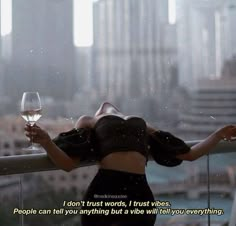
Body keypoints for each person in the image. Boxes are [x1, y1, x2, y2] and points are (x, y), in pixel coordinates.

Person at [25, 102, 236, 226]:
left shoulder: (141, 124)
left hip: (138, 191)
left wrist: (218, 134)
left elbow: (188, 154)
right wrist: (45, 142)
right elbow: (69, 163)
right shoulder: (87, 120)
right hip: (107, 191)